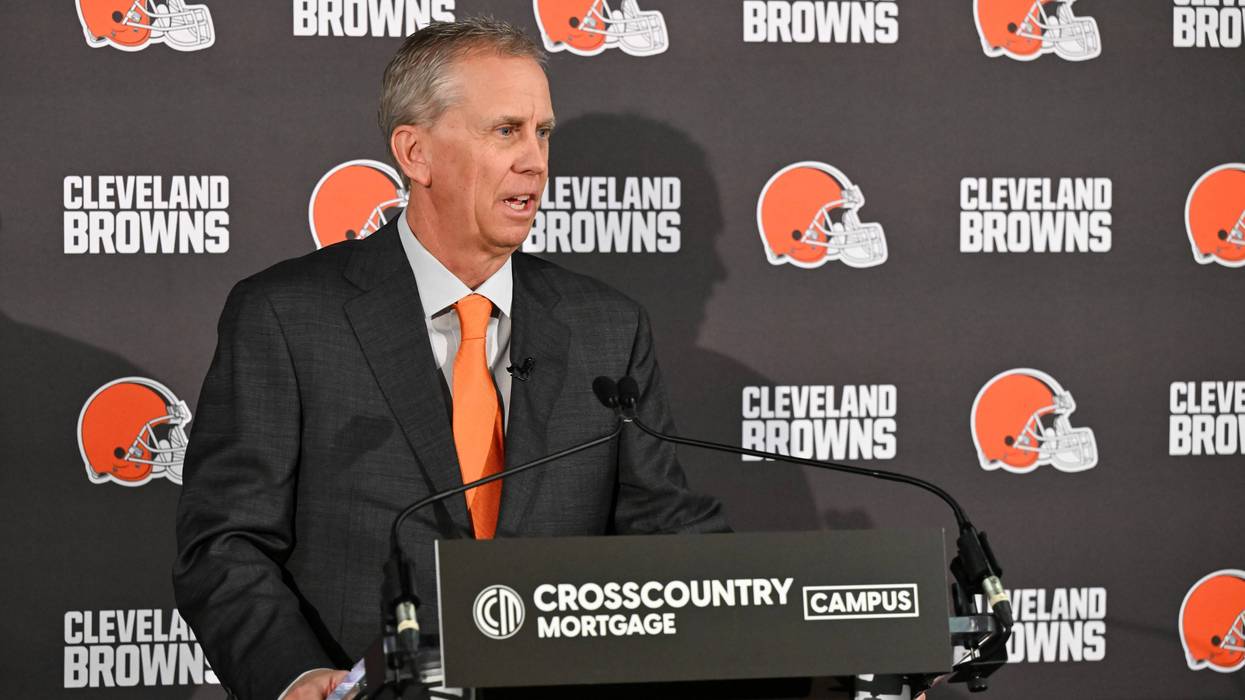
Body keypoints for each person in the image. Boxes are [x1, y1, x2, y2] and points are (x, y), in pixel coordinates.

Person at [172, 17, 727, 700]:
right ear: (416, 153)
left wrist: (806, 617)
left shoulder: (605, 327)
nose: (535, 160)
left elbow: (665, 535)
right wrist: (297, 676)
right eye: (505, 131)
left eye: (542, 132)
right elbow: (225, 542)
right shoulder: (288, 317)